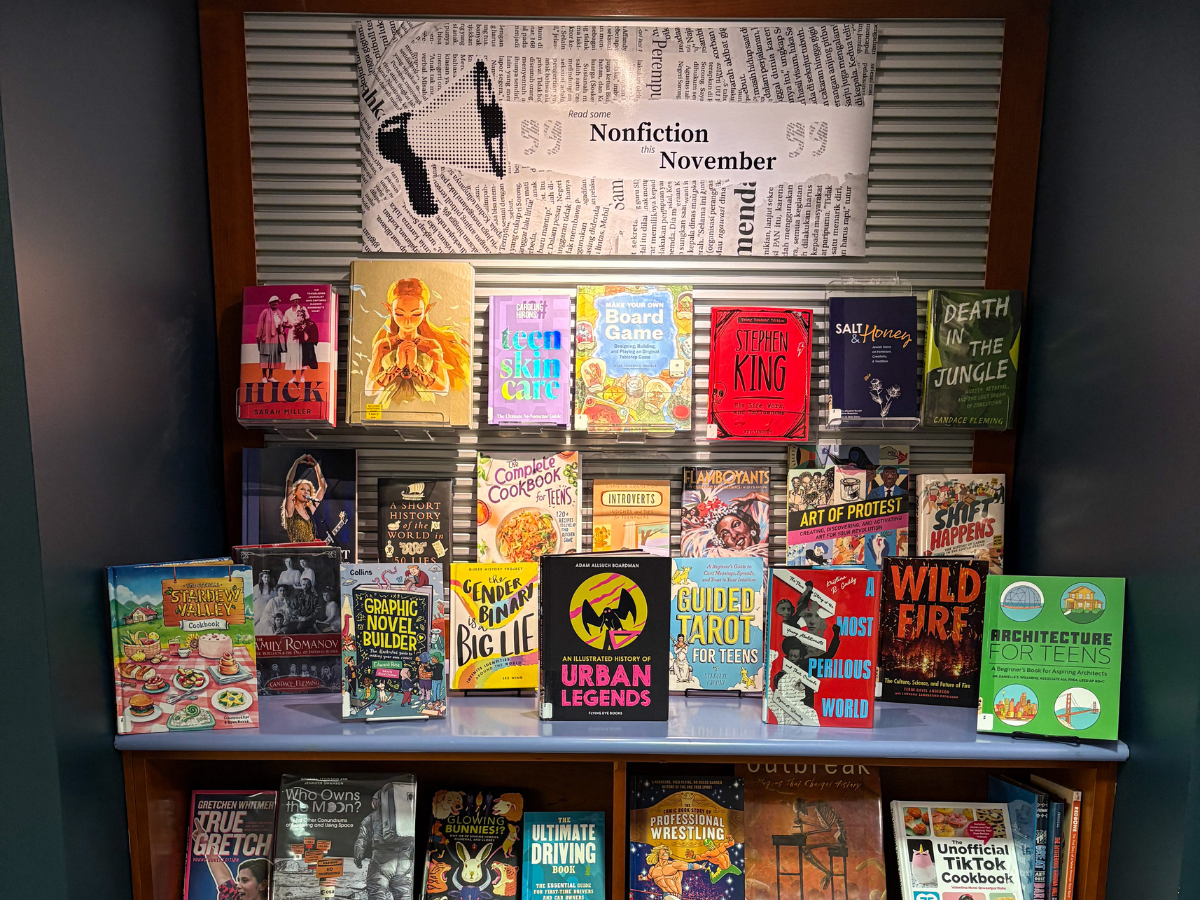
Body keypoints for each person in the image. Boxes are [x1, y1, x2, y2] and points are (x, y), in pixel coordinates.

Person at [366, 277, 470, 408]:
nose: (407, 322)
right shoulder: (383, 345)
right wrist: (397, 367)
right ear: (389, 310)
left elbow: (443, 388)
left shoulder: (431, 346)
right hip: (387, 408)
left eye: (416, 314)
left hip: (424, 409)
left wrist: (415, 367)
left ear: (426, 311)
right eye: (399, 314)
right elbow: (369, 389)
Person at [355, 782, 417, 900]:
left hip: (382, 858)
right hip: (404, 861)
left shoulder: (371, 818)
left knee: (377, 892)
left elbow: (361, 839)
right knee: (404, 893)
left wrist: (358, 857)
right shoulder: (408, 817)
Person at [281, 454, 328, 543]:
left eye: (308, 490)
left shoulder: (309, 509)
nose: (306, 492)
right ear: (295, 492)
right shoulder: (291, 510)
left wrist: (316, 466)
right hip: (297, 552)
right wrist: (296, 463)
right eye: (302, 489)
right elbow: (289, 482)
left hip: (311, 553)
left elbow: (323, 487)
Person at [639, 845, 711, 900]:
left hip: (676, 896)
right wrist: (643, 878)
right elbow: (649, 877)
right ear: (658, 853)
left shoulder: (674, 865)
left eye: (667, 850)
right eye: (664, 850)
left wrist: (701, 867)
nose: (666, 851)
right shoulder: (653, 869)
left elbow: (690, 866)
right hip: (666, 895)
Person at [203, 854, 270, 900]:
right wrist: (204, 841)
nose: (238, 885)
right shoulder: (234, 897)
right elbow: (223, 877)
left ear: (263, 885)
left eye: (245, 880)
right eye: (238, 880)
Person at [255, 295, 284, 383]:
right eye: (273, 302)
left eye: (276, 302)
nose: (274, 303)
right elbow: (260, 324)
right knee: (265, 355)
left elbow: (281, 325)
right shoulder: (265, 312)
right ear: (270, 303)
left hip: (276, 337)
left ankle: (270, 376)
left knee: (274, 356)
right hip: (266, 337)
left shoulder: (279, 313)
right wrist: (259, 336)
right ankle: (264, 376)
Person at [281, 293, 306, 381]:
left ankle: (302, 376)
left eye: (297, 299)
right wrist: (289, 326)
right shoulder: (287, 312)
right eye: (294, 300)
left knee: (302, 354)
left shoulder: (302, 309)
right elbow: (284, 323)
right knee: (292, 354)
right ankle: (294, 377)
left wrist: (301, 325)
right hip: (291, 335)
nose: (295, 301)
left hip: (301, 333)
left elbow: (307, 319)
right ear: (291, 301)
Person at [295, 306, 320, 384]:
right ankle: (297, 376)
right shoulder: (297, 325)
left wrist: (308, 337)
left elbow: (314, 334)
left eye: (302, 315)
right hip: (299, 345)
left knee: (306, 360)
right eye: (299, 315)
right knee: (300, 361)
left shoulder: (310, 324)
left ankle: (303, 376)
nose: (300, 317)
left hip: (307, 345)